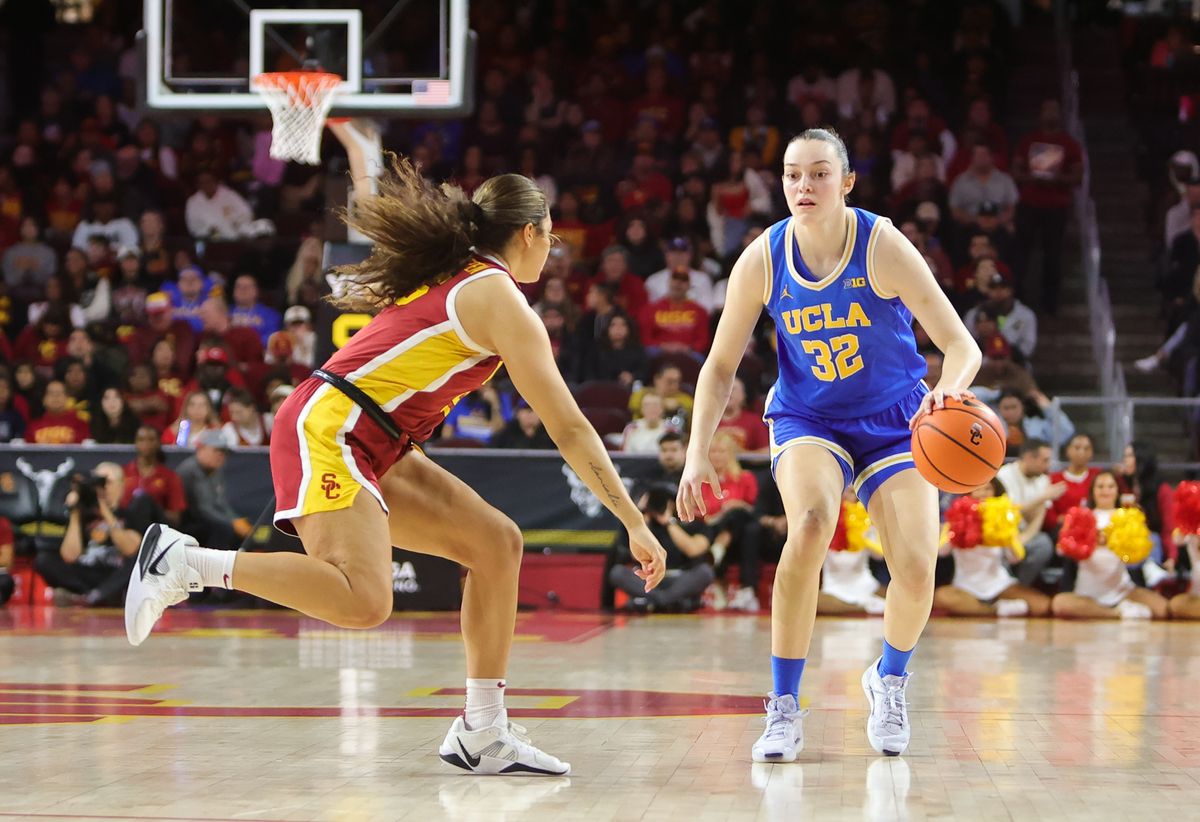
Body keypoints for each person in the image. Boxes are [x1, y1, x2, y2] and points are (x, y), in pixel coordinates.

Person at [125, 145, 666, 777]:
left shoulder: (459, 273)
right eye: (550, 240)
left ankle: (483, 732)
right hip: (332, 427)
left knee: (496, 543)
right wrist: (631, 518)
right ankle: (185, 563)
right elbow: (569, 427)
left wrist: (360, 151)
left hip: (376, 437)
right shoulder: (496, 296)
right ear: (529, 233)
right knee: (364, 601)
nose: (552, 254)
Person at [676, 128, 982, 761]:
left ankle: (889, 679)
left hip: (896, 417)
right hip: (809, 417)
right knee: (811, 524)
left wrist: (945, 395)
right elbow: (718, 364)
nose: (803, 186)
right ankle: (784, 705)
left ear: (846, 183)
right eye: (792, 175)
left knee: (918, 566)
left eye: (818, 174)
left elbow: (961, 346)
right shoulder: (763, 256)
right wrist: (695, 452)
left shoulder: (882, 245)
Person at [1050, 471, 1169, 619]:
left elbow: (1134, 557)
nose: (1105, 491)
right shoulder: (1081, 515)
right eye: (1100, 487)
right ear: (1092, 491)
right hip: (1086, 593)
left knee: (1162, 608)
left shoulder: (1127, 517)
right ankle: (1114, 614)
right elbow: (1061, 549)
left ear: (1117, 491)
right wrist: (1084, 543)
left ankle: (1120, 608)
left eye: (1110, 486)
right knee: (1060, 603)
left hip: (1122, 590)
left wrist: (1120, 544)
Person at [932, 479, 1051, 618]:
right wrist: (957, 530)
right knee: (941, 597)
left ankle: (984, 610)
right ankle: (994, 611)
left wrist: (1005, 534)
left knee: (1041, 605)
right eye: (978, 489)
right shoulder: (955, 519)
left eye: (988, 489)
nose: (983, 493)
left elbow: (1015, 558)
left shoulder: (1004, 519)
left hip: (999, 584)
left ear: (995, 492)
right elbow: (941, 552)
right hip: (965, 586)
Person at [609, 485, 713, 613]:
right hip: (649, 580)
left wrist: (668, 521)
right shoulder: (640, 525)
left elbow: (693, 550)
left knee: (705, 572)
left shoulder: (693, 523)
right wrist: (641, 519)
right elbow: (636, 555)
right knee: (617, 572)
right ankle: (669, 601)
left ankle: (655, 601)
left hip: (679, 578)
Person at [122, 425, 186, 527]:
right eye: (141, 439)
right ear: (135, 443)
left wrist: (151, 509)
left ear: (158, 443)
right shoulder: (123, 473)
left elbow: (175, 517)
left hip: (157, 527)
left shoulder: (170, 476)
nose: (146, 444)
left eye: (151, 439)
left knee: (144, 500)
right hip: (127, 526)